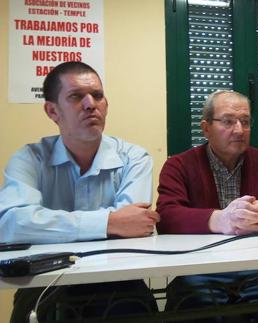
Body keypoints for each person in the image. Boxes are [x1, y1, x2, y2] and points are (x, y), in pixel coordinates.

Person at [0, 61, 159, 321]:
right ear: (52, 111)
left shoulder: (134, 157)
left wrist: (45, 223)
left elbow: (135, 226)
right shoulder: (29, 159)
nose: (90, 104)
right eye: (76, 97)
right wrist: (109, 221)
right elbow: (10, 224)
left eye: (97, 95)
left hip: (117, 283)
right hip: (45, 282)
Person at [156, 90, 258, 322]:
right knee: (194, 303)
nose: (239, 130)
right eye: (228, 121)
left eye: (245, 122)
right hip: (200, 268)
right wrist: (220, 220)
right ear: (205, 128)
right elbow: (166, 216)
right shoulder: (178, 166)